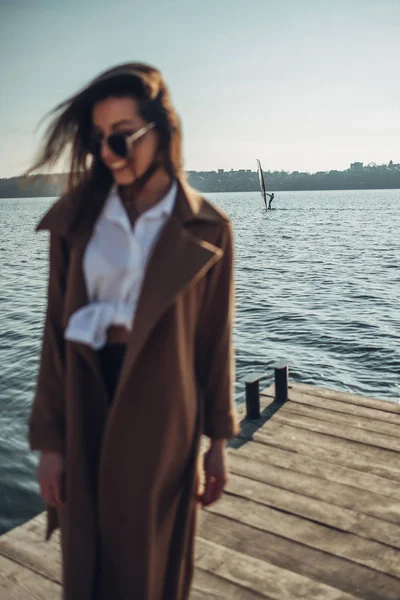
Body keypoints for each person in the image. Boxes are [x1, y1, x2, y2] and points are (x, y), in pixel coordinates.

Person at [27, 63, 239, 600]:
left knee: (151, 563)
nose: (108, 153)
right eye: (98, 140)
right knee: (86, 555)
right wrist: (50, 444)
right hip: (87, 395)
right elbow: (54, 335)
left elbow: (214, 343)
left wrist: (218, 442)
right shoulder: (77, 220)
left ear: (160, 131)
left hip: (166, 407)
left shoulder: (208, 228)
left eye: (121, 137)